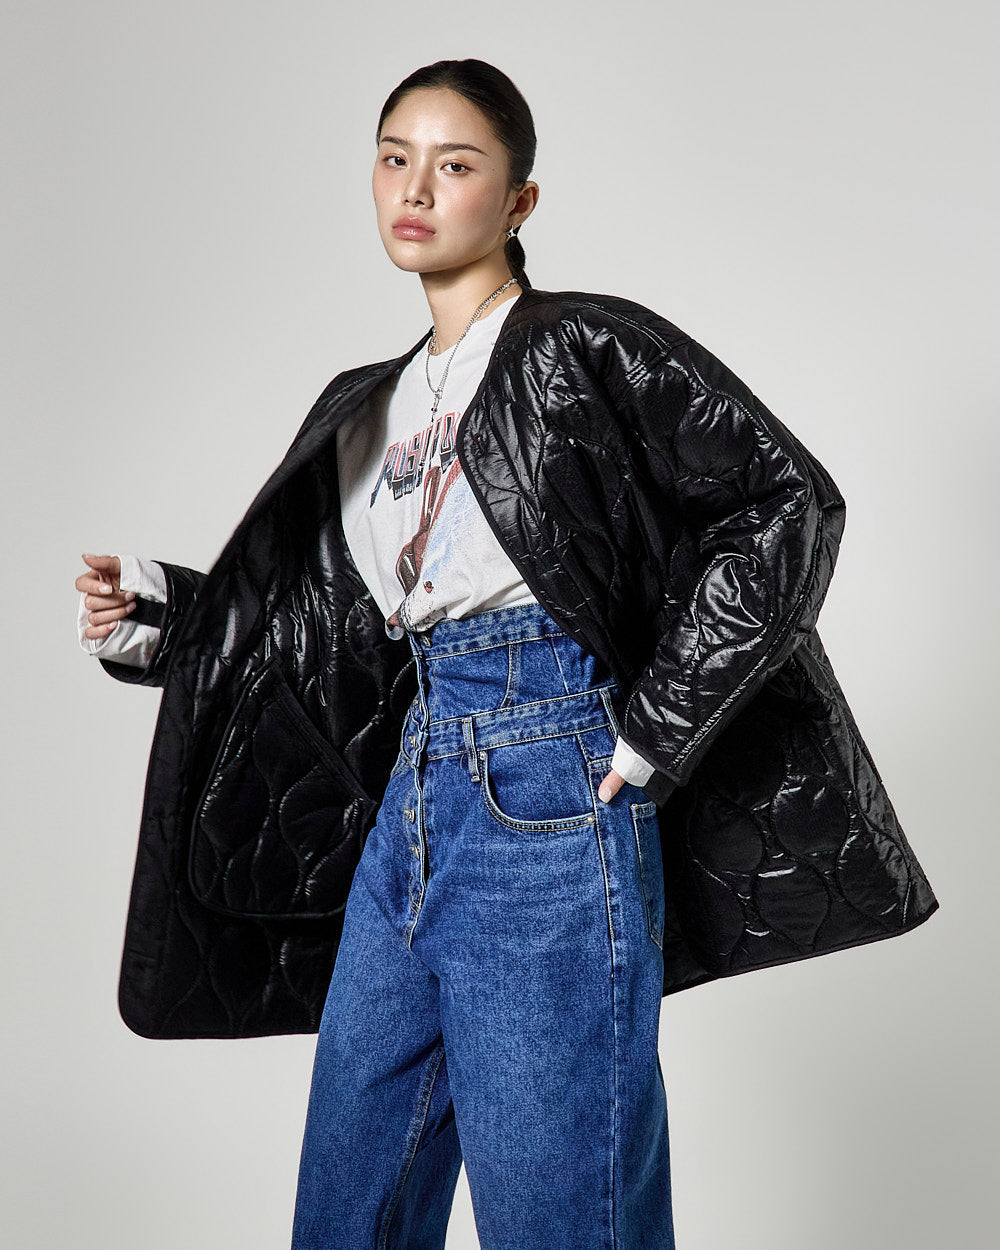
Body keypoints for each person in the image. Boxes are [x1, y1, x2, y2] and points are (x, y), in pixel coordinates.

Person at [74, 59, 938, 1250]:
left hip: (548, 779)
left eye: (455, 163)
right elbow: (320, 629)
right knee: (347, 1207)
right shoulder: (365, 404)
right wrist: (167, 612)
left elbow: (785, 504)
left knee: (557, 1212)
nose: (415, 188)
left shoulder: (578, 344)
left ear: (519, 199)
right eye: (394, 158)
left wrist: (650, 732)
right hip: (410, 795)